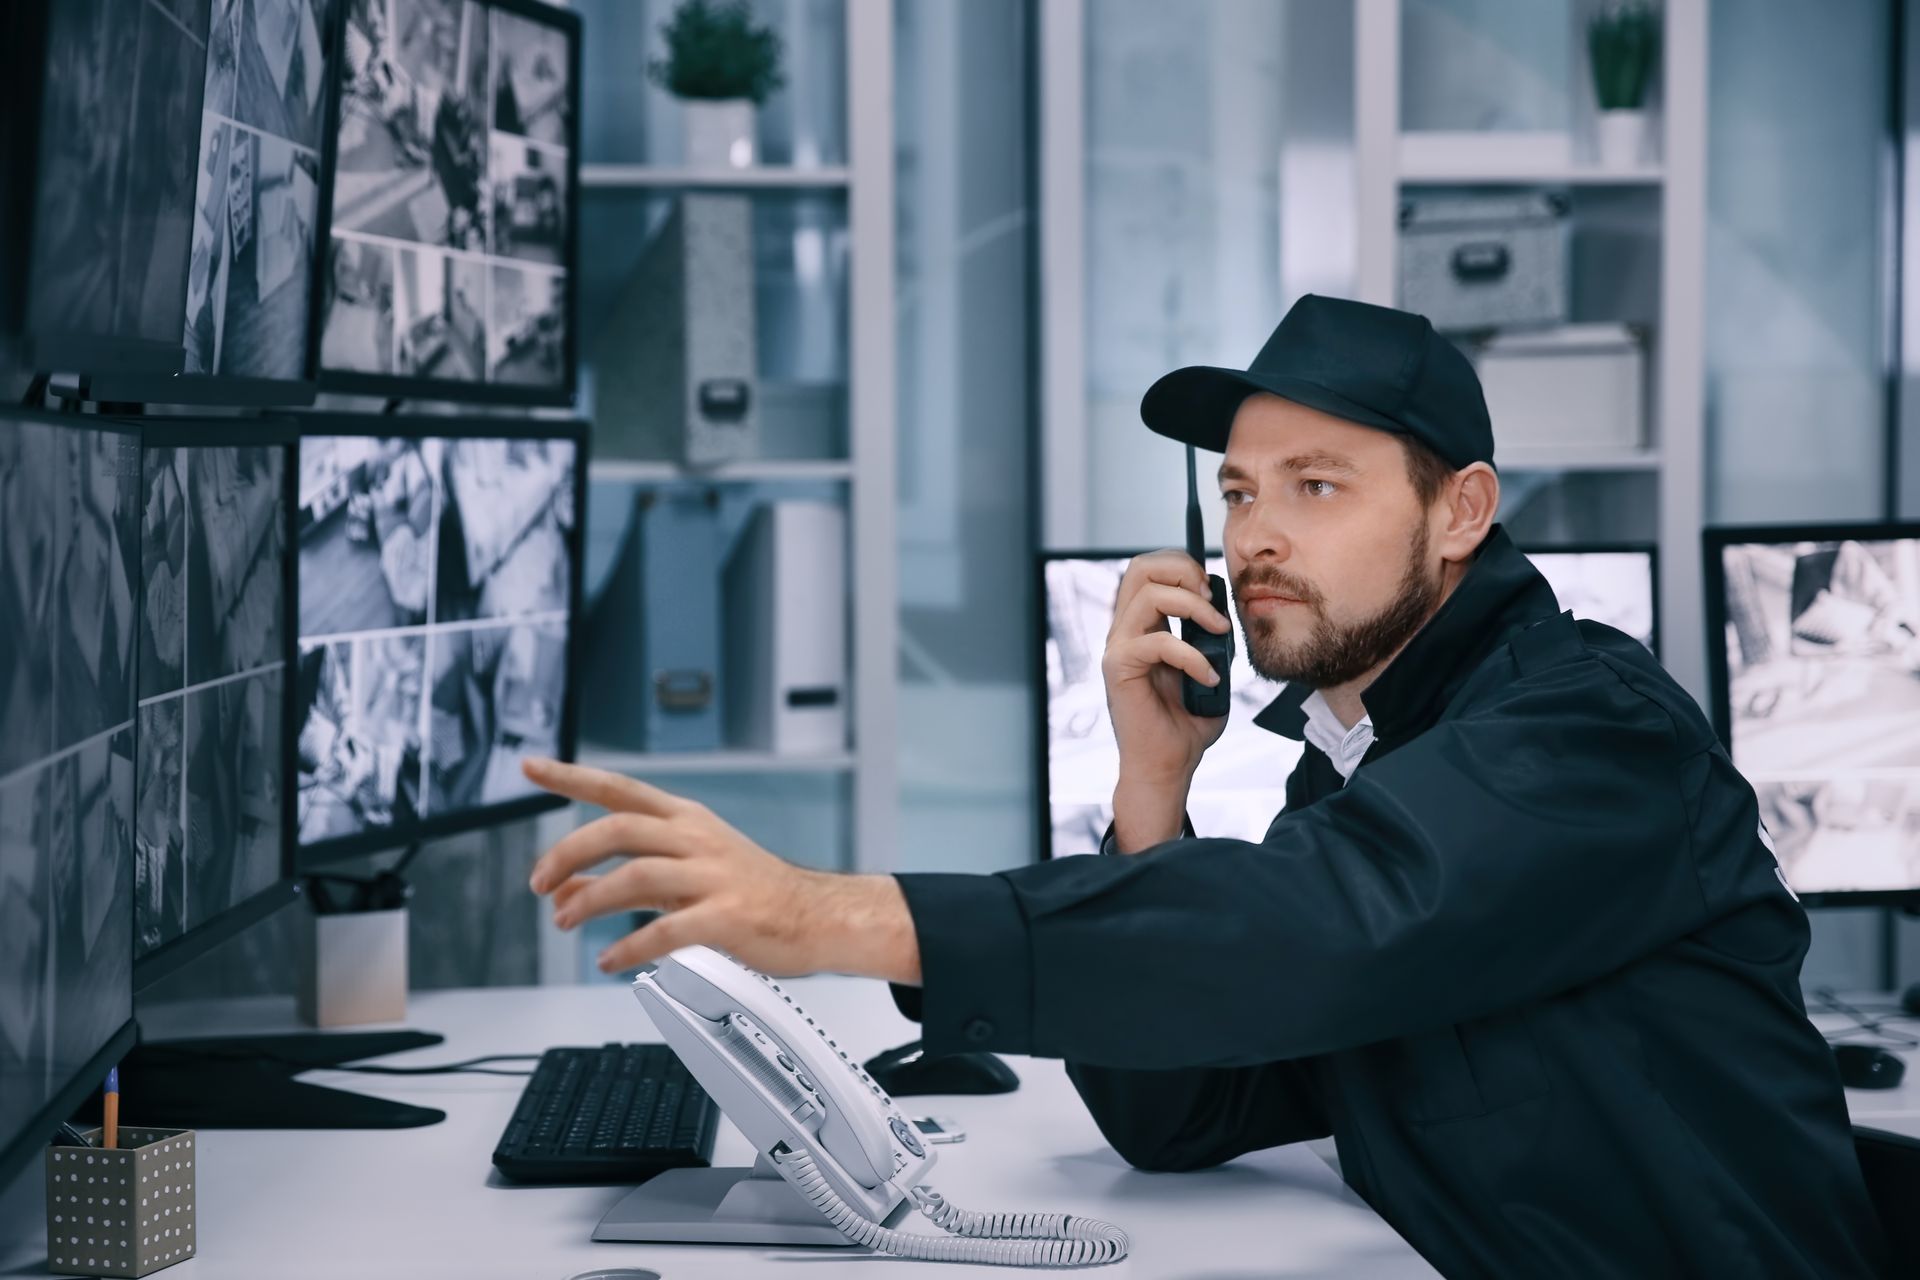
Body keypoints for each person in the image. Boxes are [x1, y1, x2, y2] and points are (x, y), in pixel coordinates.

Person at [521, 295, 1888, 1277]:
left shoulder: (1586, 727)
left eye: (1317, 486)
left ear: (1460, 514)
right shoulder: (1359, 762)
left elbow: (1334, 920)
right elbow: (1187, 1113)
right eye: (1238, 494)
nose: (1257, 538)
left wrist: (828, 914)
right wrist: (1152, 788)